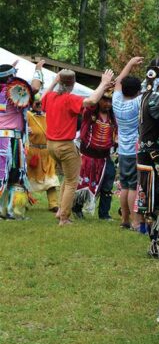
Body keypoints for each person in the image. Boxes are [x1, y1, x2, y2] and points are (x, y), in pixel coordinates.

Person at [42, 68, 113, 225]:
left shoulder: (51, 96)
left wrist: (54, 81)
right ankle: (64, 218)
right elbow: (92, 101)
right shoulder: (69, 99)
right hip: (65, 146)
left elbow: (43, 97)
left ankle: (61, 210)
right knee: (72, 181)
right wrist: (103, 83)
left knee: (67, 179)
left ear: (59, 82)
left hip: (51, 145)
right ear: (72, 84)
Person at [137, 57, 159, 258]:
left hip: (145, 153)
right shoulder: (157, 99)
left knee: (153, 197)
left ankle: (158, 242)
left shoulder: (145, 95)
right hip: (154, 155)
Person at [0, 60, 44, 218]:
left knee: (1, 175)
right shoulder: (14, 91)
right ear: (10, 77)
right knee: (16, 176)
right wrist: (38, 70)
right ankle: (15, 211)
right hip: (11, 141)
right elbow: (35, 88)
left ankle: (2, 210)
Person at [72, 89, 117, 220]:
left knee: (108, 184)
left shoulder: (112, 118)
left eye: (110, 101)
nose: (108, 104)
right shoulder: (89, 113)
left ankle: (104, 214)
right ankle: (77, 208)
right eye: (105, 100)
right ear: (98, 100)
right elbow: (90, 103)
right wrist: (103, 86)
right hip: (87, 156)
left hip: (104, 157)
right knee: (85, 183)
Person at [112, 56, 145, 230]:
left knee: (124, 185)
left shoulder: (116, 102)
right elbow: (150, 86)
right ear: (138, 91)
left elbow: (118, 82)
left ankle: (124, 219)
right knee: (134, 186)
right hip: (135, 149)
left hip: (122, 150)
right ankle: (135, 221)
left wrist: (130, 63)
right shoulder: (137, 103)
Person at [26, 95, 60, 212]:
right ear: (31, 104)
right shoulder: (27, 115)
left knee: (51, 179)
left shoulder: (49, 115)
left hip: (47, 152)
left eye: (41, 103)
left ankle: (53, 204)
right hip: (32, 153)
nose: (40, 105)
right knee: (28, 179)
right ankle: (24, 201)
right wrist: (25, 128)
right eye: (37, 103)